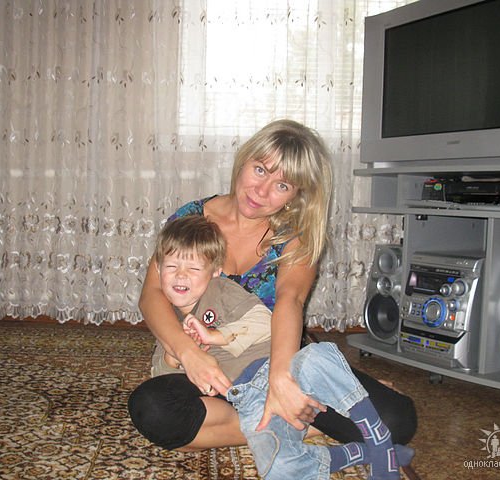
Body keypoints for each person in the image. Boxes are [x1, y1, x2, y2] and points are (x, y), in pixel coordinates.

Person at [128, 119, 417, 453]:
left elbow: (289, 301)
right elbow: (151, 295)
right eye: (260, 170)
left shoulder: (296, 236)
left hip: (268, 359)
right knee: (153, 410)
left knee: (394, 422)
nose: (261, 191)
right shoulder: (191, 218)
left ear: (296, 195)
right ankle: (298, 425)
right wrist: (187, 352)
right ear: (243, 161)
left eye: (282, 185)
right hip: (205, 362)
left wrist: (281, 380)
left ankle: (267, 417)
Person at [149, 215, 414, 479]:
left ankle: (378, 440)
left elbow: (264, 322)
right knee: (278, 469)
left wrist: (216, 336)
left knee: (317, 358)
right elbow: (162, 378)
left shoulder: (220, 289)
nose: (181, 275)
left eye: (193, 268)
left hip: (279, 369)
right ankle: (357, 453)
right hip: (249, 399)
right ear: (158, 269)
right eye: (172, 266)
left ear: (215, 270)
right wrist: (176, 356)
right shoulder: (169, 320)